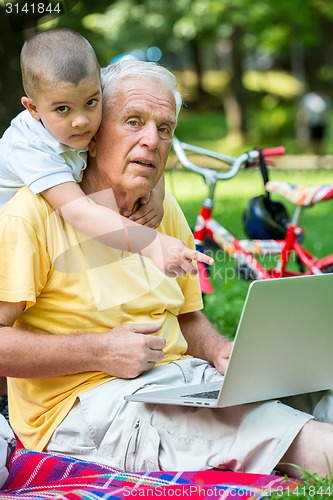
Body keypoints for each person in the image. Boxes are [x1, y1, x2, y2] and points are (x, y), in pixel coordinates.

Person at [0, 59, 333, 480]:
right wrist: (98, 351)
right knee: (286, 435)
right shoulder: (29, 216)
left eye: (164, 128)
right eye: (134, 122)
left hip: (184, 383)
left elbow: (187, 315)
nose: (151, 141)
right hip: (88, 407)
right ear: (95, 133)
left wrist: (218, 351)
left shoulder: (161, 209)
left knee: (318, 387)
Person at [0, 27, 212, 278]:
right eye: (63, 109)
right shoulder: (29, 149)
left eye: (91, 103)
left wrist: (156, 191)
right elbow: (79, 211)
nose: (81, 121)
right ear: (33, 108)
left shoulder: (71, 120)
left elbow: (145, 146)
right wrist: (153, 244)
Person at [297, 89, 330, 156]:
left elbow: (326, 113)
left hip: (320, 123)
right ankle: (307, 152)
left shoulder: (324, 99)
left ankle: (318, 152)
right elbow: (303, 110)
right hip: (310, 122)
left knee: (320, 138)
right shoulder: (309, 98)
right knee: (309, 138)